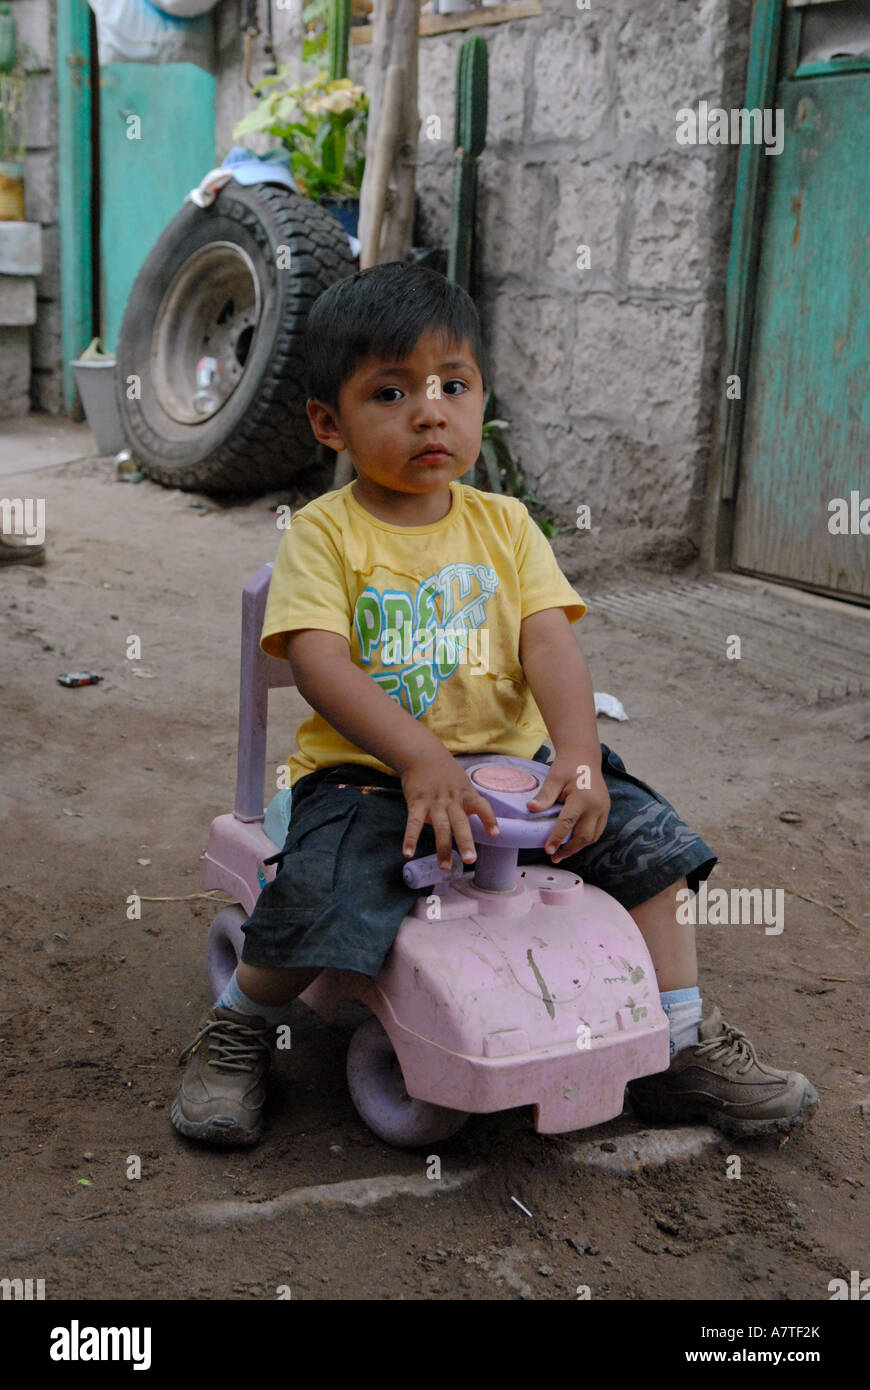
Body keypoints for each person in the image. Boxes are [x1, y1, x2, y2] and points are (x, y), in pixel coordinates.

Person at [171, 263, 818, 1147]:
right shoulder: (325, 533)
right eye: (391, 392)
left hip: (516, 774)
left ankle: (679, 1042)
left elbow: (550, 642)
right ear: (330, 422)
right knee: (321, 891)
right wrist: (418, 757)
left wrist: (579, 758)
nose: (429, 411)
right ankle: (239, 1027)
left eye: (453, 385)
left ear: (481, 398)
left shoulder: (507, 526)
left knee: (649, 845)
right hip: (371, 777)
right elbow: (319, 663)